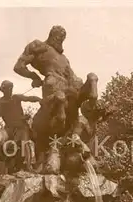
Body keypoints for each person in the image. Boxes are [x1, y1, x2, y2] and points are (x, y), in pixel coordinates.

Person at [13, 25, 98, 168]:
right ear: (52, 35)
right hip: (53, 86)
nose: (60, 39)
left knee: (92, 77)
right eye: (58, 36)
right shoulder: (38, 46)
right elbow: (18, 66)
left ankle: (92, 104)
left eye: (63, 38)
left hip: (71, 87)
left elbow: (72, 76)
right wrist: (34, 76)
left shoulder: (64, 58)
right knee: (59, 96)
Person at [0, 80, 41, 173]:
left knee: (24, 142)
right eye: (8, 88)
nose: (10, 90)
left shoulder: (16, 98)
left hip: (21, 127)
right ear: (3, 90)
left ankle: (28, 165)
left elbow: (30, 98)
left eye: (11, 88)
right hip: (8, 128)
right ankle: (2, 161)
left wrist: (40, 100)